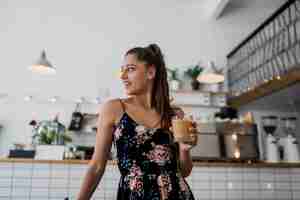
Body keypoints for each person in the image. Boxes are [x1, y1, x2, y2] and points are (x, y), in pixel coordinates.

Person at [77, 44, 197, 200]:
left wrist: (185, 150)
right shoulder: (114, 109)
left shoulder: (175, 115)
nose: (123, 76)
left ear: (150, 72)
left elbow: (184, 171)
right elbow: (97, 166)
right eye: (123, 70)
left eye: (131, 69)